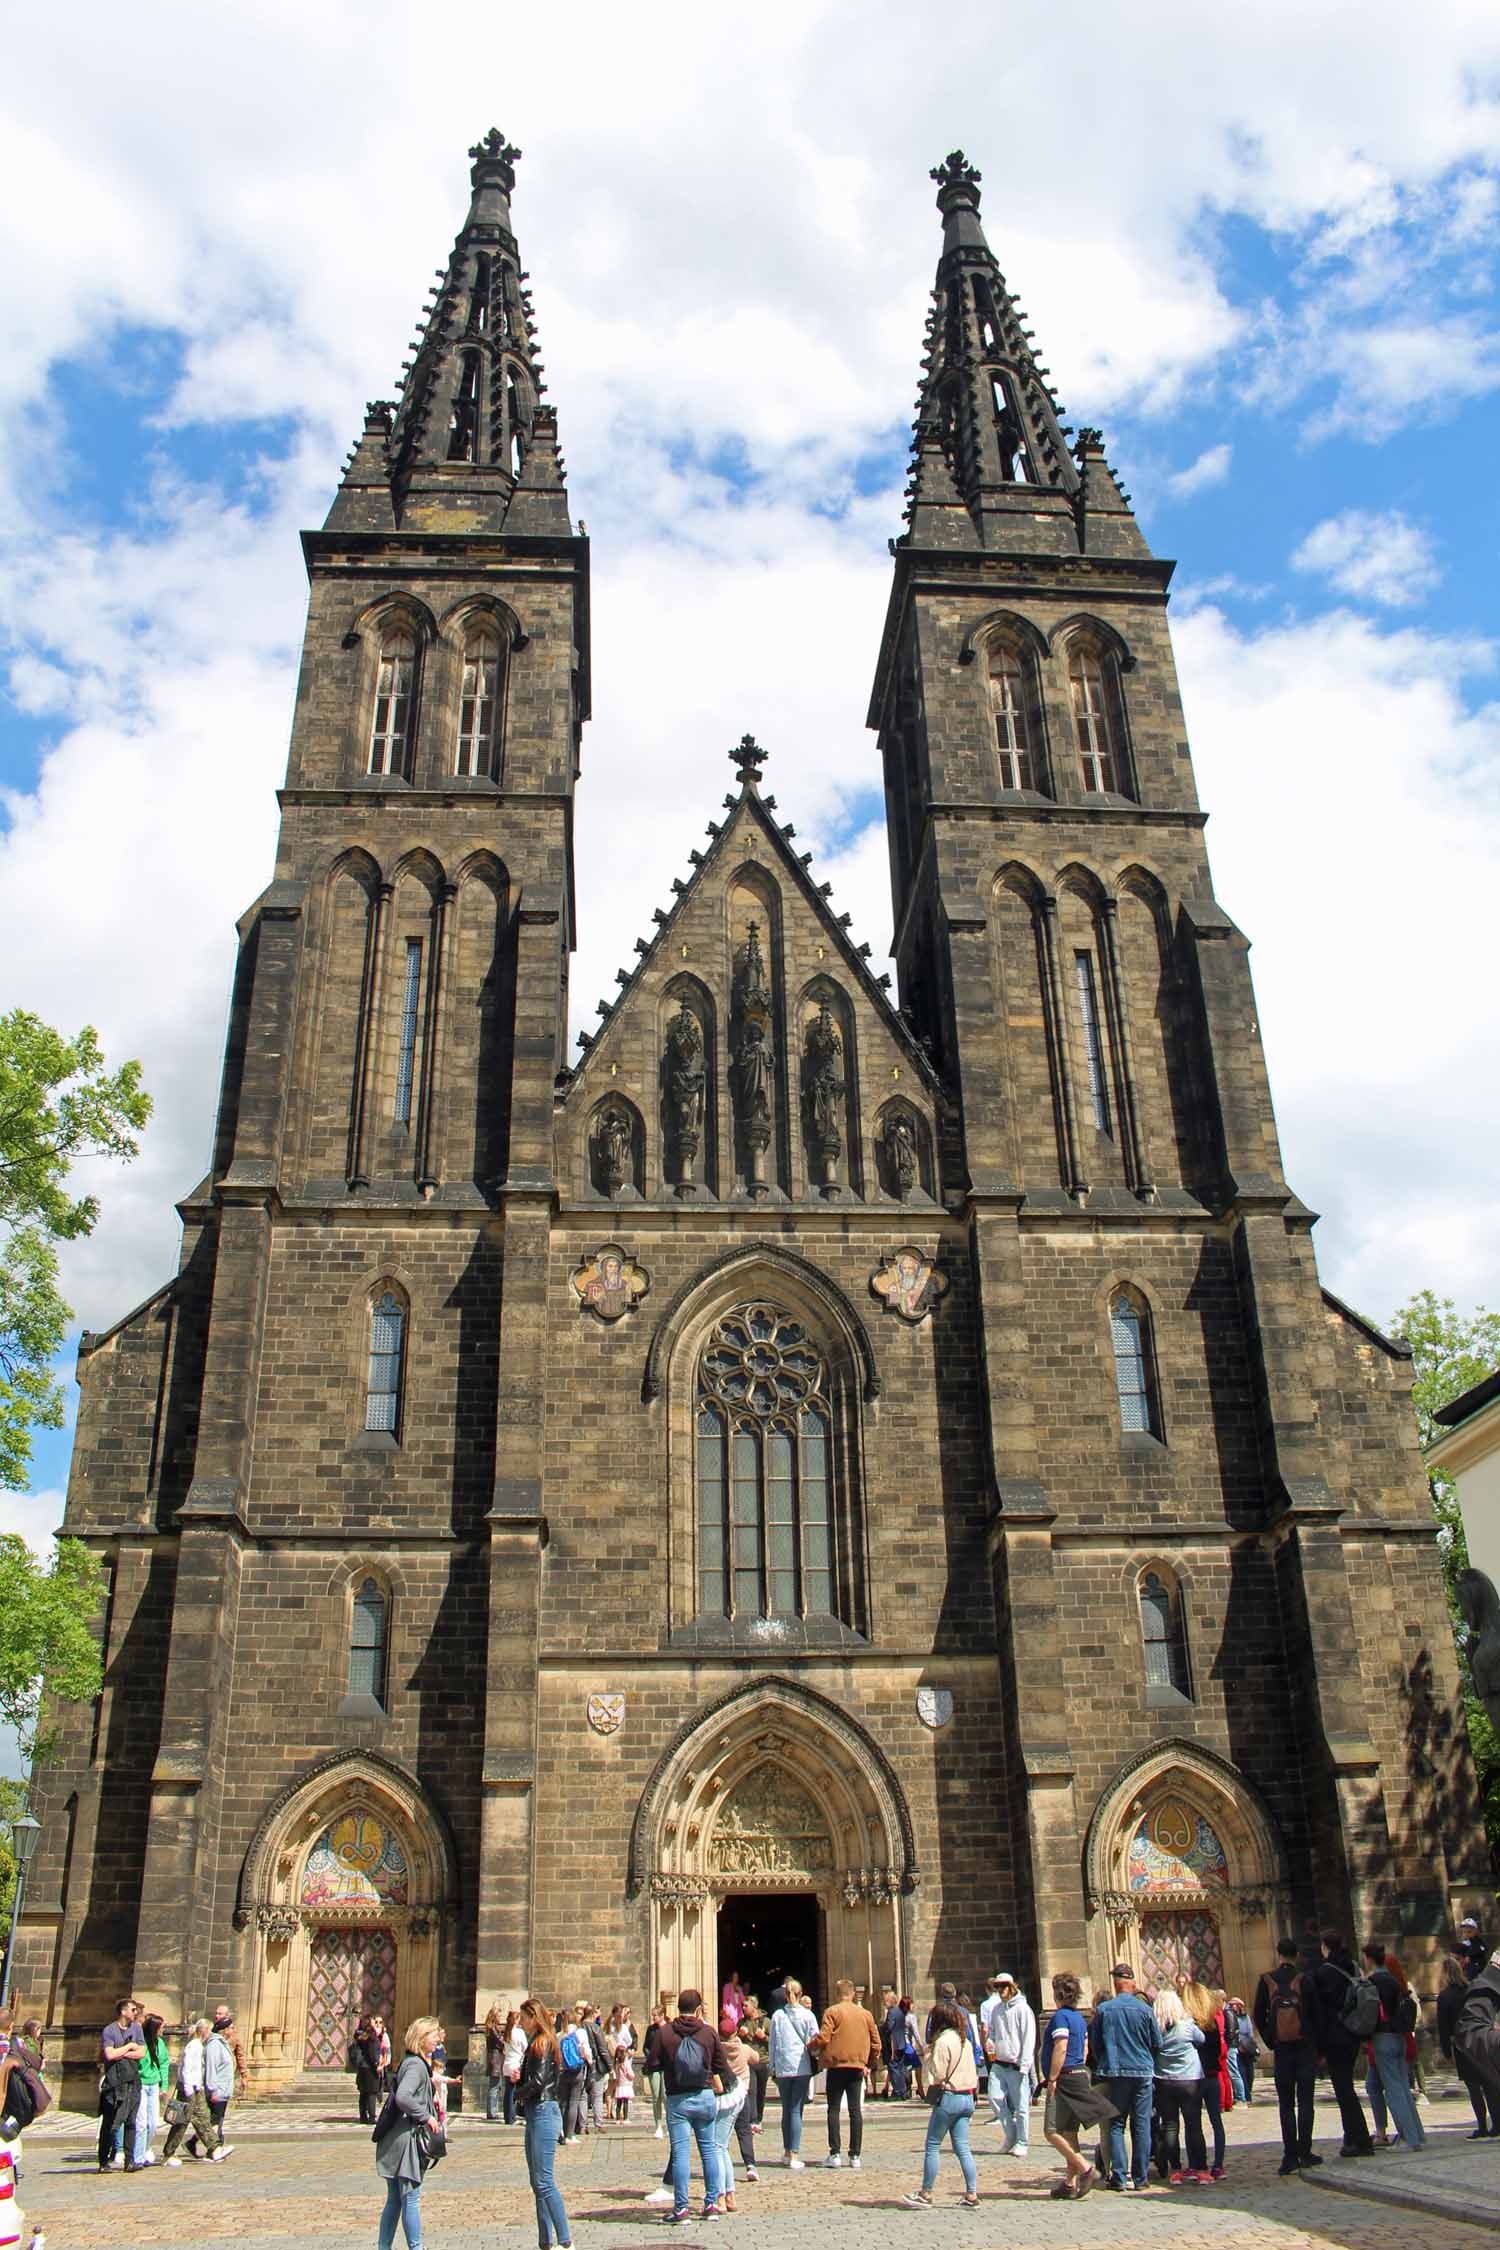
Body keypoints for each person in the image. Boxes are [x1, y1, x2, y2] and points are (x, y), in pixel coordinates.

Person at [656, 1988, 729, 2223]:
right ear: (698, 2009)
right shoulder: (709, 2033)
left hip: (677, 2099)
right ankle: (710, 2205)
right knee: (709, 2151)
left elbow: (651, 2063)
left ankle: (681, 2209)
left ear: (677, 2007)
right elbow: (720, 2065)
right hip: (704, 2095)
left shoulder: (666, 2033)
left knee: (680, 2154)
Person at [1040, 1972, 1115, 2200]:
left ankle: (1086, 2169)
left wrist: (1052, 2078)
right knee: (1069, 2132)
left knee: (1051, 2131)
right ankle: (1069, 2183)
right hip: (1079, 2073)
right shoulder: (1079, 2018)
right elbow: (1084, 2049)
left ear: (1057, 1994)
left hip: (1065, 2077)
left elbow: (1061, 2047)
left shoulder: (1061, 2017)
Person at [902, 1994, 979, 2208]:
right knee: (963, 2148)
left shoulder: (943, 2042)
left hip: (949, 2098)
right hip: (967, 2097)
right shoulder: (966, 2042)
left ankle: (926, 2193)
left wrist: (927, 2057)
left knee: (933, 2145)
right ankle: (972, 2194)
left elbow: (937, 2074)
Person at [1253, 1938, 1322, 2177]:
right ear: (1297, 1954)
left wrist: (1272, 2040)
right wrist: (1314, 2045)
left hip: (1282, 2050)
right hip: (1304, 2048)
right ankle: (1305, 2151)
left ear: (1279, 1954)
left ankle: (1289, 2155)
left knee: (1286, 2104)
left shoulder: (1266, 1980)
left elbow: (1258, 2015)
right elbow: (1315, 2014)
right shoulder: (1305, 1979)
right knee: (1305, 2102)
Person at [1090, 1964, 1161, 2191]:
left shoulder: (1104, 2009)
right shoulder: (1145, 2010)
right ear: (1131, 1982)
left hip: (1116, 2072)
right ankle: (1140, 2179)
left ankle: (1119, 2177)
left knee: (1116, 2124)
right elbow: (1157, 2043)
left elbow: (1095, 2045)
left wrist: (1106, 2062)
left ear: (1116, 1983)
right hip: (1142, 2072)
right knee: (1141, 2125)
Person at [375, 2016, 442, 2250]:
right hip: (406, 2141)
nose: (438, 2038)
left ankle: (384, 2247)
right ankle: (416, 2247)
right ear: (421, 2038)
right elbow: (404, 2096)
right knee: (410, 2198)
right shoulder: (415, 2065)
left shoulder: (411, 2063)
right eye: (434, 2033)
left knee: (394, 2199)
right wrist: (427, 2116)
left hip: (395, 2138)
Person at [1309, 1933, 1374, 2157]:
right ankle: (1352, 2137)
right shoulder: (1352, 1966)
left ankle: (1360, 2139)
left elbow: (1318, 2011)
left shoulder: (1324, 1972)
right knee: (1346, 2088)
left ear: (1325, 1947)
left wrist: (1317, 2047)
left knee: (1344, 2090)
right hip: (1353, 2032)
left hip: (1334, 2036)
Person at [516, 1999, 572, 2250]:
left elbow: (538, 2081)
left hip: (542, 2110)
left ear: (533, 2017)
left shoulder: (541, 2042)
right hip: (538, 2111)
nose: (520, 2022)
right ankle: (545, 2241)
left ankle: (565, 2241)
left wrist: (518, 2092)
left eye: (523, 2017)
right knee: (537, 2180)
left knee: (544, 2181)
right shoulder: (541, 2042)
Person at [1361, 1943, 1424, 2149]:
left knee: (1394, 2090)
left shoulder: (1372, 1983)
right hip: (1400, 2037)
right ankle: (1416, 2134)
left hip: (1383, 2037)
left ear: (1369, 1959)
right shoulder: (1395, 1982)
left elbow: (1368, 2014)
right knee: (1403, 2088)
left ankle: (1409, 2138)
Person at [814, 1978, 879, 2170]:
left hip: (836, 2067)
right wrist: (870, 2063)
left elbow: (824, 2037)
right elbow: (876, 2042)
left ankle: (835, 2154)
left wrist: (811, 2046)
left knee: (833, 2109)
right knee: (855, 2110)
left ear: (837, 1994)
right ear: (852, 1994)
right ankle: (855, 2155)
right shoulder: (866, 2014)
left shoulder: (832, 2012)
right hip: (857, 2066)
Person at [1151, 1990, 1206, 2184]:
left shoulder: (1156, 2030)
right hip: (1190, 2080)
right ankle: (1200, 2169)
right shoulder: (1187, 2027)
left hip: (1164, 2081)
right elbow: (1202, 2040)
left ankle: (1175, 2170)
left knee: (1170, 2127)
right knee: (1194, 2126)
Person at [980, 1970, 1035, 2156]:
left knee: (1021, 2107)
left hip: (1016, 2064)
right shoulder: (997, 2009)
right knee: (994, 2098)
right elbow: (993, 2033)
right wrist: (990, 2042)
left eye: (1003, 1986)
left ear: (1011, 1987)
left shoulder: (1023, 2009)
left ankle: (1022, 2141)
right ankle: (1011, 2135)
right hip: (999, 2063)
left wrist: (1025, 2065)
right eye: (997, 1986)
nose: (1001, 1989)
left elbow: (1028, 2038)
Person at [767, 1977, 819, 2168]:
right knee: (796, 2110)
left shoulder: (777, 2016)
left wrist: (772, 2066)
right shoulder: (808, 2016)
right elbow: (815, 2041)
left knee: (787, 2109)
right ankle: (794, 2155)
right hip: (802, 2067)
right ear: (800, 1994)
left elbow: (772, 2044)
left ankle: (787, 2151)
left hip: (782, 2067)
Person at [1439, 1954, 1491, 2136]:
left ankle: (1482, 2126)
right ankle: (1497, 2124)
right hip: (1482, 2038)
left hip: (1462, 2044)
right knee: (1488, 2083)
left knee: (1474, 2087)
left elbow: (1443, 2027)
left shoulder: (1445, 1997)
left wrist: (1446, 2052)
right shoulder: (1472, 1989)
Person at [1180, 1981, 1227, 2180]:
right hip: (1212, 2077)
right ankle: (1218, 2165)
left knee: (1192, 2123)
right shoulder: (1212, 2023)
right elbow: (1218, 2051)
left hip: (1193, 2079)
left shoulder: (1188, 2026)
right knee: (1216, 2121)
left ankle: (1195, 2164)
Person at [97, 1998, 144, 2173]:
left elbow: (142, 2053)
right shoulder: (110, 2030)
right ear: (123, 2011)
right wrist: (130, 2046)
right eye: (133, 2009)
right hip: (114, 2082)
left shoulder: (137, 2028)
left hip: (133, 2080)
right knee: (110, 2122)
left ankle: (129, 2161)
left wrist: (122, 2053)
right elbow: (109, 2055)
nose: (135, 2012)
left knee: (131, 2121)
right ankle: (103, 2161)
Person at [162, 2018, 217, 2165]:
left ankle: (214, 2147)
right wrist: (188, 2088)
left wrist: (198, 2086)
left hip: (196, 2087)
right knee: (182, 2120)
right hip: (189, 2088)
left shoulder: (198, 2045)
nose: (210, 2033)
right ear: (204, 2031)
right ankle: (169, 2153)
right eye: (209, 2030)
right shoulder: (194, 2046)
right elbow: (186, 2068)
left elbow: (197, 2069)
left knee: (203, 2116)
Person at [712, 2012, 753, 2210]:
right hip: (738, 2093)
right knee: (723, 2146)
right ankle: (730, 2196)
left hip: (722, 2097)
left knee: (717, 2147)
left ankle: (720, 2195)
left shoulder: (714, 2049)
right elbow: (757, 2058)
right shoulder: (742, 2048)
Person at [132, 2013, 171, 2168]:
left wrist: (164, 2086)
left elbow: (164, 2064)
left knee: (153, 2123)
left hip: (154, 2085)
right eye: (161, 2027)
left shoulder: (160, 2044)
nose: (163, 2030)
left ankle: (146, 2148)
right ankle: (138, 2156)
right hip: (141, 2084)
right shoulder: (140, 2043)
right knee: (141, 2123)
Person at [203, 2014, 236, 2161]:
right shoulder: (215, 2045)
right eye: (231, 2027)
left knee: (217, 2120)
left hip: (223, 2089)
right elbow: (211, 2068)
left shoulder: (221, 2043)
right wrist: (213, 2089)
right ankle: (214, 2150)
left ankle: (214, 2149)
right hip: (217, 2089)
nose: (233, 2030)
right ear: (224, 2030)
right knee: (215, 2121)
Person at [739, 1995, 770, 2131]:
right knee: (751, 2090)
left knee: (761, 2092)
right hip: (748, 2061)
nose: (743, 2008)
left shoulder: (767, 2022)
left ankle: (759, 2119)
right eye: (742, 2005)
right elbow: (733, 2042)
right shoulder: (741, 2023)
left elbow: (775, 2041)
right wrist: (740, 2035)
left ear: (754, 2007)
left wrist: (764, 2037)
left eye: (746, 2006)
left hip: (763, 2060)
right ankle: (752, 2120)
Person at [642, 2003, 668, 2139]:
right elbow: (645, 2046)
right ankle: (658, 2126)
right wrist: (650, 2056)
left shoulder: (669, 2028)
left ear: (662, 2015)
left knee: (666, 2096)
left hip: (667, 2066)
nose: (653, 2018)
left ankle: (669, 2124)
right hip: (654, 2066)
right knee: (656, 2097)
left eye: (655, 2016)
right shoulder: (651, 2030)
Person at [355, 2015, 386, 2125]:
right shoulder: (372, 2037)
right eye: (374, 2021)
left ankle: (363, 2116)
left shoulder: (362, 2035)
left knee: (363, 2092)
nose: (376, 2024)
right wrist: (377, 2064)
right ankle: (372, 2117)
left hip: (362, 2067)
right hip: (370, 2068)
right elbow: (373, 2052)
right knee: (372, 2092)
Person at [884, 1992, 914, 2102]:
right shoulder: (900, 2011)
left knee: (894, 2067)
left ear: (890, 2001)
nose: (884, 2003)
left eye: (886, 2001)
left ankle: (897, 2091)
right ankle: (903, 2090)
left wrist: (882, 2029)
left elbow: (890, 2026)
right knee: (900, 2068)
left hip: (894, 2044)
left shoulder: (891, 2012)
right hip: (901, 2043)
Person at [483, 2004, 509, 2123]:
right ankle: (492, 2112)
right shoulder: (492, 2028)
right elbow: (500, 2041)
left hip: (496, 2059)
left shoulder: (493, 2028)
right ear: (494, 2016)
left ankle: (493, 2111)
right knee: (494, 2087)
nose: (500, 2017)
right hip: (495, 2060)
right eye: (498, 2015)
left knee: (496, 2086)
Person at [1228, 1997, 1257, 2103]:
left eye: (1235, 2005)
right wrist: (1239, 2043)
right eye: (1231, 2005)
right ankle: (1244, 2095)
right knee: (1240, 2072)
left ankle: (1248, 2091)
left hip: (1247, 2047)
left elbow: (1250, 2032)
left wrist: (1249, 2044)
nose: (1232, 2007)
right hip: (1237, 2046)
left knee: (1250, 2073)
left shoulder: (1246, 2017)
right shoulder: (1230, 2016)